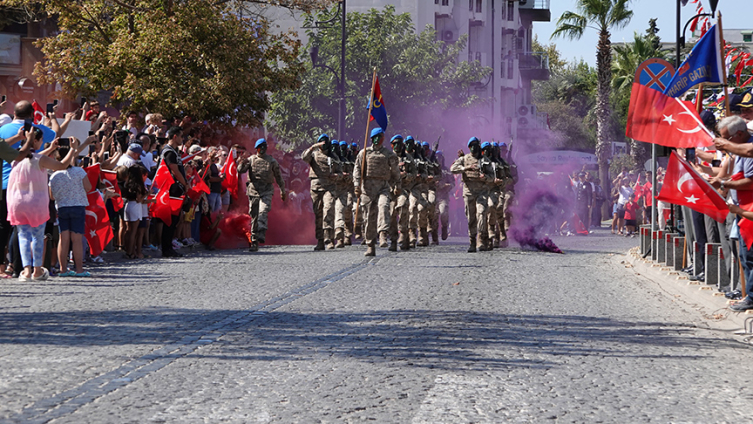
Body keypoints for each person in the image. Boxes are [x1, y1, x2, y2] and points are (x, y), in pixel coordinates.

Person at [9, 130, 82, 281]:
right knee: (37, 236)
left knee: (23, 236)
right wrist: (73, 150)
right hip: (36, 202)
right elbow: (61, 165)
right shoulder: (40, 159)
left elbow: (30, 157)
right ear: (35, 142)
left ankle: (26, 271)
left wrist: (50, 149)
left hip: (17, 202)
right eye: (41, 140)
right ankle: (37, 270)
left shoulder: (15, 157)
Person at [353, 128, 400, 257]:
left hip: (383, 188)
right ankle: (370, 245)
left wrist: (397, 185)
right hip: (367, 190)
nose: (378, 139)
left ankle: (383, 234)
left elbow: (396, 173)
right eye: (376, 137)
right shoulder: (364, 153)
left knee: (384, 206)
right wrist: (357, 185)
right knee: (369, 218)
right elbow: (357, 170)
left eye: (380, 136)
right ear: (371, 139)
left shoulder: (389, 155)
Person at [49, 142, 93, 276]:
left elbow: (51, 196)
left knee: (64, 238)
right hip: (78, 206)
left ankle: (63, 269)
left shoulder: (54, 175)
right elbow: (88, 188)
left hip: (62, 207)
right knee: (77, 239)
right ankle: (79, 269)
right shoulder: (79, 171)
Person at [238, 138, 286, 252]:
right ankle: (254, 241)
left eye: (264, 147)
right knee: (254, 216)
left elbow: (279, 177)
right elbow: (240, 171)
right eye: (260, 148)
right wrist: (241, 163)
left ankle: (262, 231)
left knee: (263, 210)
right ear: (256, 149)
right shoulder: (251, 160)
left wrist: (283, 191)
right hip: (253, 190)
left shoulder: (272, 161)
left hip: (266, 190)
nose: (262, 150)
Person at [451, 137, 496, 252]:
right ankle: (472, 240)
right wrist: (466, 168)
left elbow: (492, 177)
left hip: (482, 191)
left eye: (476, 145)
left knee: (481, 213)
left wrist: (485, 177)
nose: (474, 147)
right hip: (469, 192)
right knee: (471, 217)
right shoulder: (464, 159)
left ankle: (481, 238)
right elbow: (453, 169)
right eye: (472, 145)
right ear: (469, 147)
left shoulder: (485, 160)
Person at [301, 134, 341, 251]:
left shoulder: (333, 156)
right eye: (321, 142)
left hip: (329, 187)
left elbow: (340, 172)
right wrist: (312, 147)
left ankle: (329, 239)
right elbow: (304, 157)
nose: (323, 144)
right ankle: (320, 240)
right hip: (316, 188)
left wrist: (335, 176)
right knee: (318, 214)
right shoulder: (313, 154)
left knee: (328, 210)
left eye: (325, 142)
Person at [158, 126, 189, 258]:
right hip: (170, 191)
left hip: (176, 191)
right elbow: (174, 170)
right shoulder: (169, 152)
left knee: (174, 220)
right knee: (170, 221)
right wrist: (185, 184)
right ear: (175, 136)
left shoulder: (175, 151)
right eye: (181, 136)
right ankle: (166, 249)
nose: (183, 139)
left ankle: (169, 247)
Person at [388, 134, 415, 251]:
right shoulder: (387, 157)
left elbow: (414, 175)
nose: (397, 146)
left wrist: (405, 176)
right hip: (389, 190)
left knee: (403, 207)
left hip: (404, 189)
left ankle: (403, 233)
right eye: (395, 144)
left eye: (399, 144)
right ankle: (393, 239)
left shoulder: (409, 158)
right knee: (390, 214)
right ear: (392, 145)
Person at [434, 150, 455, 241]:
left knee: (443, 213)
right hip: (433, 195)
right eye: (437, 157)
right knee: (433, 217)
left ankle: (444, 227)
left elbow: (453, 182)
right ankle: (434, 237)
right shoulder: (431, 169)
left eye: (440, 157)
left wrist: (448, 186)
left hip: (443, 196)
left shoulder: (446, 170)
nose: (438, 159)